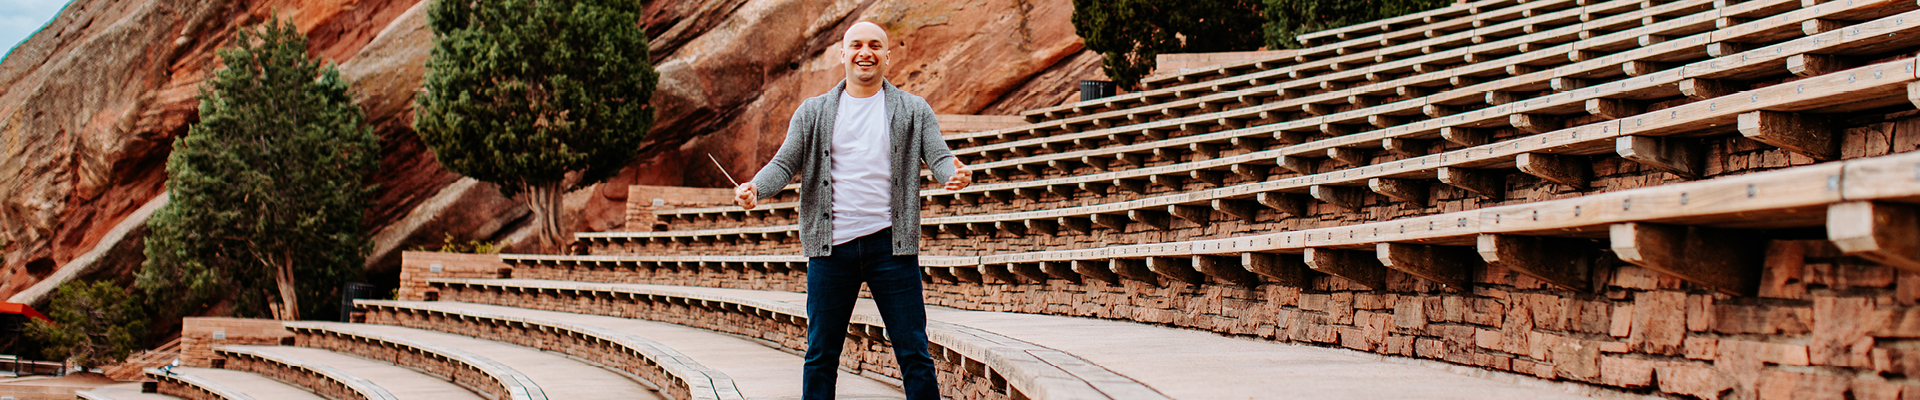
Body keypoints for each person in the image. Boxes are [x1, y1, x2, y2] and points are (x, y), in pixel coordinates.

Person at [733, 21, 971, 399]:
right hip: (831, 251)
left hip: (892, 248)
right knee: (821, 355)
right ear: (842, 55)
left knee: (913, 352)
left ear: (887, 56)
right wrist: (755, 189)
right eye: (856, 45)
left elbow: (940, 156)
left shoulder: (913, 109)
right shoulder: (813, 112)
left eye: (875, 45)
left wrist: (952, 175)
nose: (866, 52)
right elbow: (783, 164)